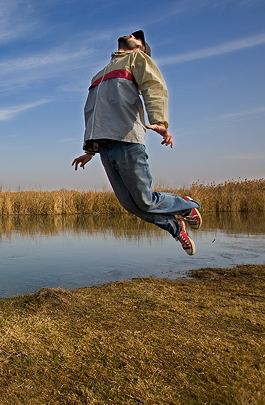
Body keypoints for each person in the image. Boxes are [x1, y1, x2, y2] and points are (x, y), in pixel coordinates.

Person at [72, 30, 202, 255]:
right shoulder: (98, 77)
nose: (132, 34)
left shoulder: (137, 59)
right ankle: (176, 227)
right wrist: (90, 150)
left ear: (141, 47)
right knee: (130, 204)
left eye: (138, 37)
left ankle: (186, 205)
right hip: (104, 147)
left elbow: (154, 86)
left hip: (128, 140)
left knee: (145, 199)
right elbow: (92, 113)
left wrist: (159, 121)